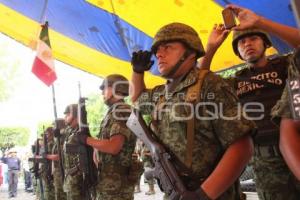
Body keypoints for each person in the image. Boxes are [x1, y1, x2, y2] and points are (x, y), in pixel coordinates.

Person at [130, 22, 255, 199]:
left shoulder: (210, 85)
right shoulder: (161, 94)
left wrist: (202, 195)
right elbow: (136, 100)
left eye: (168, 47)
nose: (159, 53)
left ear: (190, 51)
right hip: (176, 193)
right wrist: (137, 72)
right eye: (157, 49)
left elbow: (242, 146)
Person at [198, 4, 300, 199]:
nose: (247, 44)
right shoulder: (235, 81)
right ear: (238, 52)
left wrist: (261, 23)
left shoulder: (286, 65)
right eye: (241, 43)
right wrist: (210, 49)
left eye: (253, 38)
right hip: (265, 163)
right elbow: (200, 85)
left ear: (265, 43)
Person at [77, 74, 138, 200]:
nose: (102, 93)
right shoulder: (114, 112)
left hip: (116, 185)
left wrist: (87, 140)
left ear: (115, 89)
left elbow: (114, 146)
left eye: (104, 88)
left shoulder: (121, 111)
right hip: (110, 181)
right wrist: (96, 148)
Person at [62, 103, 87, 200]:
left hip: (78, 180)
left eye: (68, 115)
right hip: (71, 178)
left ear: (76, 116)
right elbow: (62, 129)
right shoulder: (70, 132)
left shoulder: (80, 132)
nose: (65, 117)